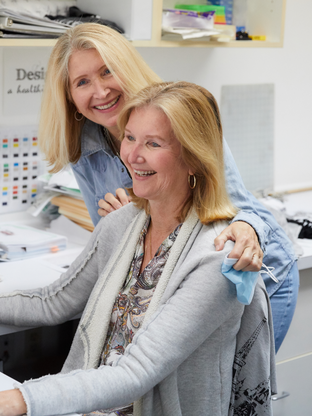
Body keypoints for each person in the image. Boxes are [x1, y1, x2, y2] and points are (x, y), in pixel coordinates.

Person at [0, 81, 275, 416]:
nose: (133, 156)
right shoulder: (124, 222)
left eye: (153, 143)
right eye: (130, 137)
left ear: (193, 156)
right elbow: (53, 301)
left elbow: (135, 374)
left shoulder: (218, 258)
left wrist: (13, 400)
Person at [38, 23, 298, 351]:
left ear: (127, 70)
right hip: (184, 288)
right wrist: (122, 226)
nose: (101, 91)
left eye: (107, 72)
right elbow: (112, 246)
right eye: (83, 82)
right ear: (70, 98)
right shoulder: (83, 149)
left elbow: (242, 209)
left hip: (257, 276)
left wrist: (245, 227)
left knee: (232, 398)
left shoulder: (178, 115)